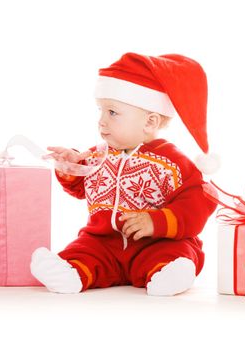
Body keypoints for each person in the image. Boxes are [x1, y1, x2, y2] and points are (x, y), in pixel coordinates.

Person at [30, 52, 219, 296]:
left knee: (175, 251)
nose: (101, 121)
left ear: (149, 122)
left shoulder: (172, 163)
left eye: (112, 112)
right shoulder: (98, 155)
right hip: (103, 243)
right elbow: (81, 187)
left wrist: (156, 221)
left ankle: (170, 274)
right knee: (84, 250)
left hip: (153, 243)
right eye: (100, 110)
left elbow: (197, 202)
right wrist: (70, 167)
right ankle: (70, 272)